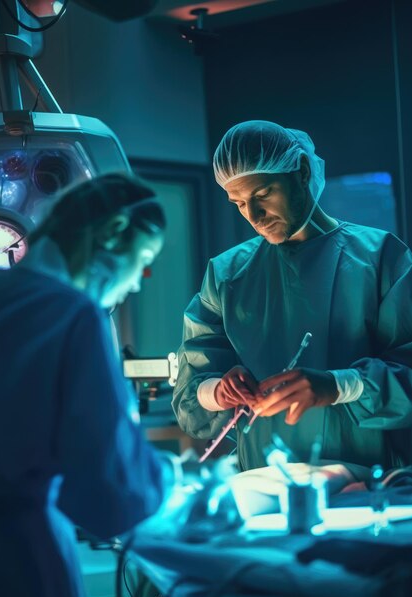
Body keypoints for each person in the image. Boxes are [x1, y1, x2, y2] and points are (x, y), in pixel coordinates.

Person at [172, 120, 412, 481]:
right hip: (267, 488)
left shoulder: (381, 258)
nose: (253, 217)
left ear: (300, 171)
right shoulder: (227, 275)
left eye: (262, 194)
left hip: (364, 484)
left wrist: (336, 385)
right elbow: (190, 397)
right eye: (238, 204)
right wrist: (219, 391)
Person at [0, 173, 174, 597]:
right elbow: (110, 498)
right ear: (114, 233)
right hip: (19, 565)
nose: (135, 285)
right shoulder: (74, 315)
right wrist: (169, 477)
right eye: (145, 260)